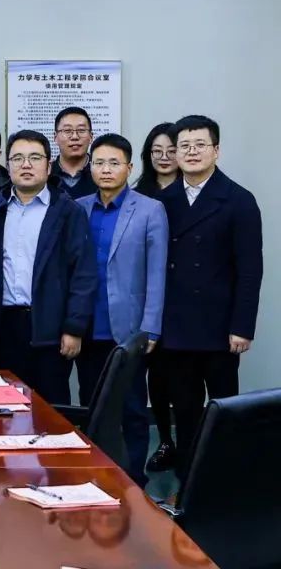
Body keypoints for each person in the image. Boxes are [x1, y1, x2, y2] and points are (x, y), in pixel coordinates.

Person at [158, 115, 262, 477]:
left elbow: (250, 270)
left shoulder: (238, 200)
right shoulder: (164, 200)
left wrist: (242, 326)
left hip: (220, 327)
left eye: (200, 145)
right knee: (184, 409)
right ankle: (187, 480)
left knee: (223, 407)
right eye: (184, 146)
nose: (192, 152)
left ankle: (223, 479)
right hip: (176, 325)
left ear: (216, 151)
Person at [75, 133, 168, 487]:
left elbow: (156, 274)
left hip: (129, 330)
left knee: (132, 410)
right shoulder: (78, 208)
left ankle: (134, 482)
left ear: (129, 167)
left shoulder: (150, 210)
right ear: (90, 167)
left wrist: (151, 328)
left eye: (114, 163)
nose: (106, 169)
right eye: (99, 162)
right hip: (87, 327)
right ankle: (95, 479)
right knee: (92, 408)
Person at [0, 129, 96, 405]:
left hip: (49, 327)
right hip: (3, 326)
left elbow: (83, 274)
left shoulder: (68, 211)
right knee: (5, 407)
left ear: (48, 166)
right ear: (8, 165)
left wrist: (74, 328)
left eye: (35, 158)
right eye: (18, 158)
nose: (26, 165)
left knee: (50, 408)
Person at [135, 122, 181, 473]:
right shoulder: (140, 194)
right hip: (147, 301)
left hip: (181, 299)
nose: (164, 157)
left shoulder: (189, 192)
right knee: (156, 378)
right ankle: (165, 442)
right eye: (156, 151)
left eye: (171, 151)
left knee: (184, 378)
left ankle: (191, 445)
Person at [52, 107, 97, 199]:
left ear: (91, 137)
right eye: (67, 131)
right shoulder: (45, 173)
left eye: (81, 130)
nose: (75, 137)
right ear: (55, 137)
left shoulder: (102, 172)